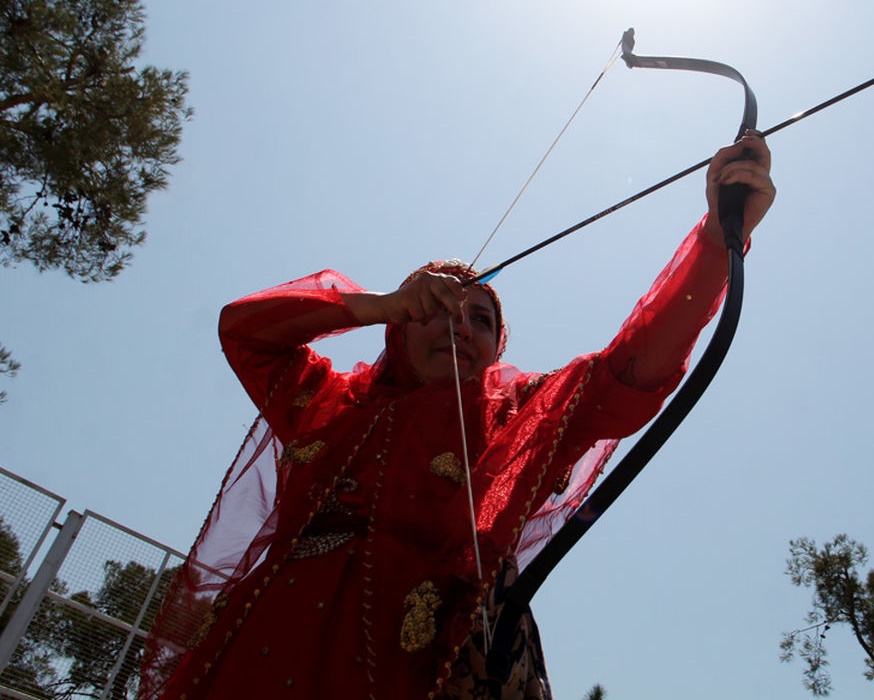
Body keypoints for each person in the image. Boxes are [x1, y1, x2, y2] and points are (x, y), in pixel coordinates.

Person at [139, 133, 774, 700]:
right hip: (267, 636)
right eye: (437, 304)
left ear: (496, 350)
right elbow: (244, 332)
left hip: (427, 661)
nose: (459, 325)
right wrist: (376, 303)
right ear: (397, 327)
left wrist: (720, 241)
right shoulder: (326, 400)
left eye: (481, 319)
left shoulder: (523, 419)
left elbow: (629, 371)